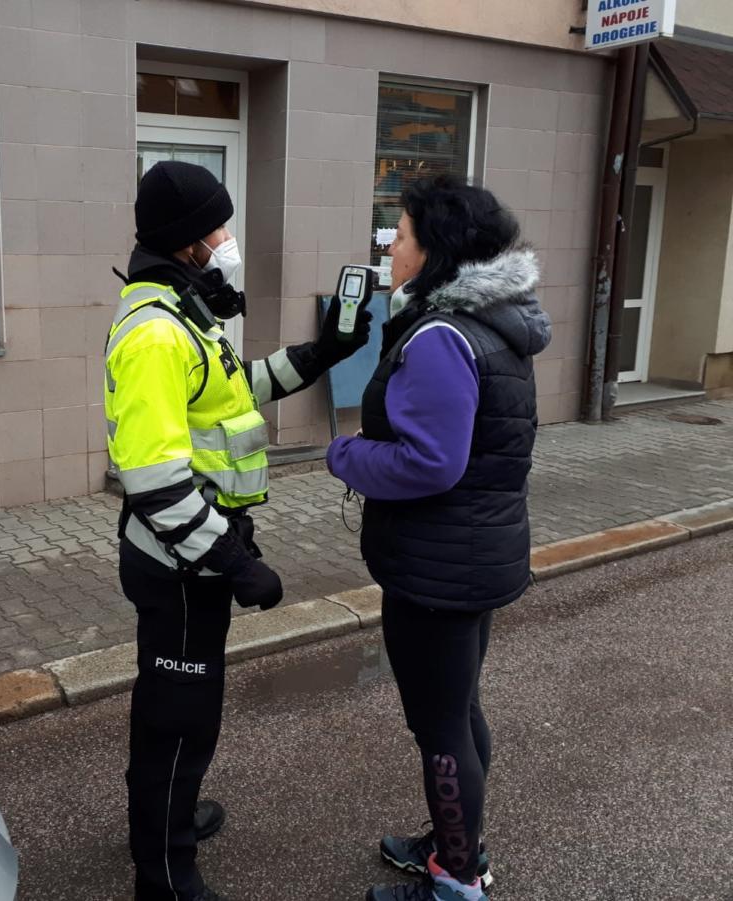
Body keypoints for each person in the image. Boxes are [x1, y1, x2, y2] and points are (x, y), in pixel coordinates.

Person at [106, 160, 371, 901]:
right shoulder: (155, 334)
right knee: (179, 719)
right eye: (217, 227)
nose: (227, 240)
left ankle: (168, 816)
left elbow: (234, 390)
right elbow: (154, 479)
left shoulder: (182, 310)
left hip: (194, 556)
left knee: (174, 708)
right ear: (186, 239)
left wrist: (322, 355)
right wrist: (231, 559)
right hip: (182, 561)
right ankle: (164, 872)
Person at [326, 175, 551, 901]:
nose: (391, 246)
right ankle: (458, 845)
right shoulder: (492, 324)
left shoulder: (443, 337)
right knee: (459, 711)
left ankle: (457, 879)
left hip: (437, 569)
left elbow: (431, 461)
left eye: (402, 232)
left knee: (440, 726)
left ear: (435, 250)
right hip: (472, 555)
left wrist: (346, 454)